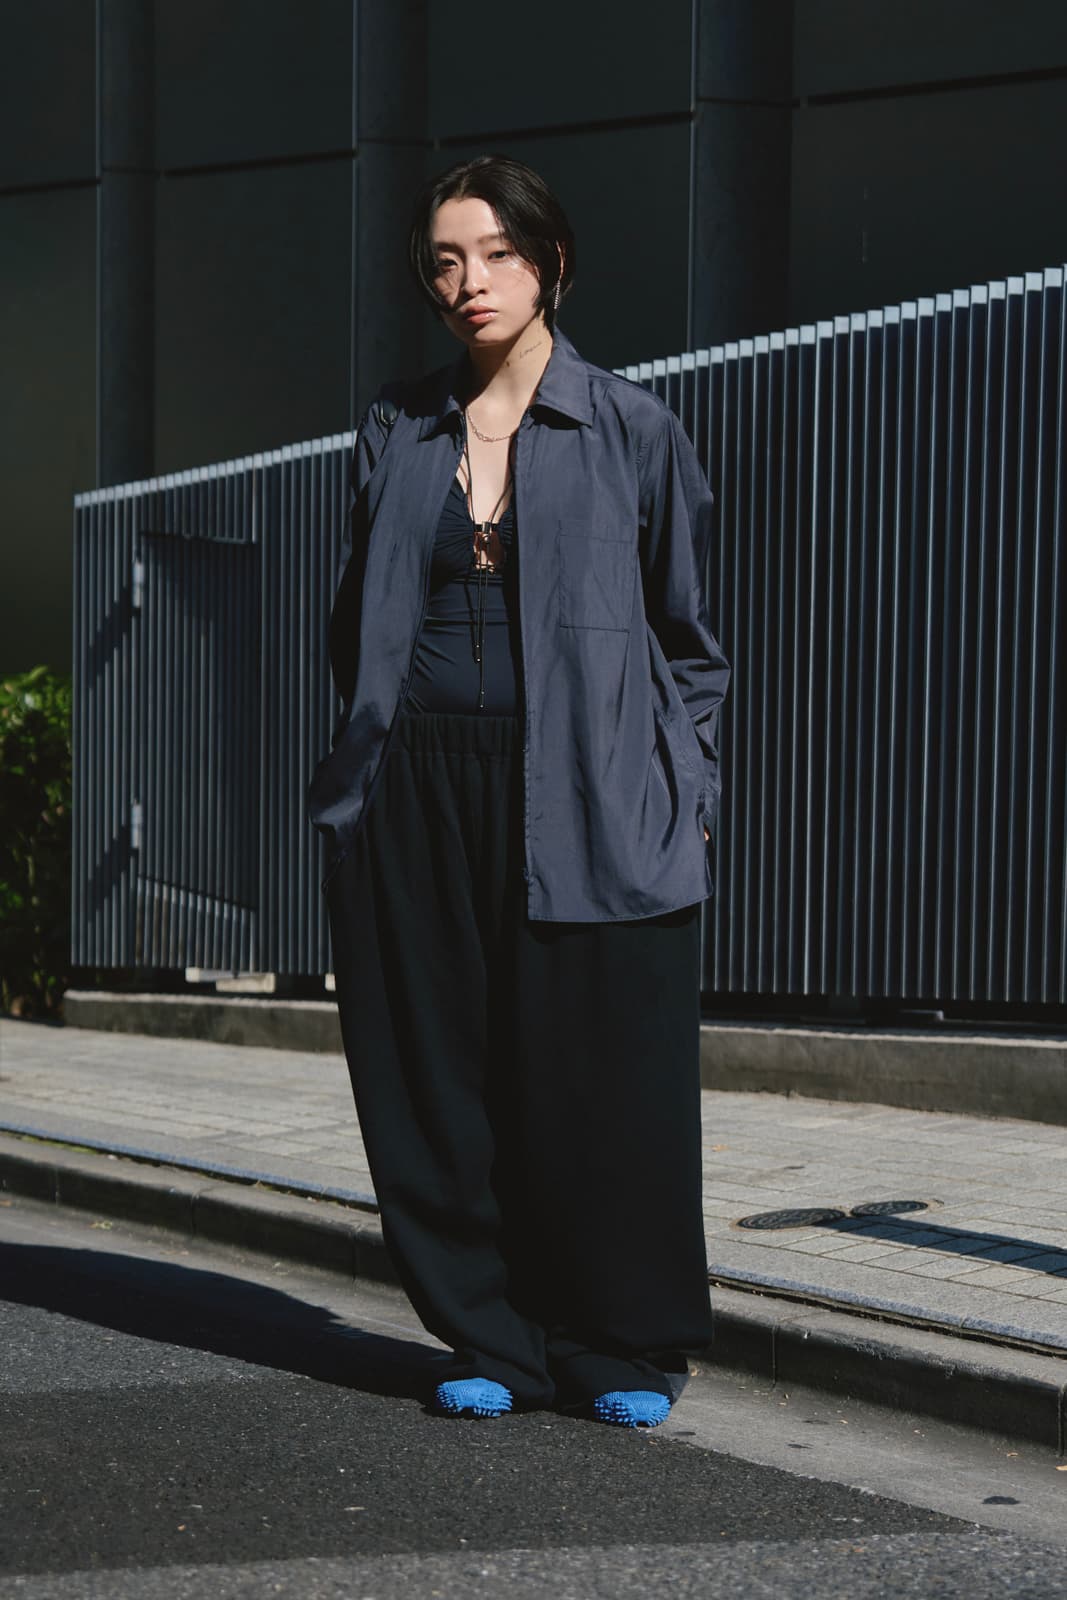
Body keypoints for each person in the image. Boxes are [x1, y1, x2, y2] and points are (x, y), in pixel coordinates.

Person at [307, 155, 730, 1428]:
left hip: (591, 791)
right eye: (443, 260)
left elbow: (691, 642)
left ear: (547, 262)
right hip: (416, 786)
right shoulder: (397, 425)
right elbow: (357, 623)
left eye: (492, 253)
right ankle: (486, 1330)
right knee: (439, 1069)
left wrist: (682, 790)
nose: (466, 281)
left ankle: (612, 1343)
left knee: (596, 1078)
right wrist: (362, 773)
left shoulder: (630, 426)